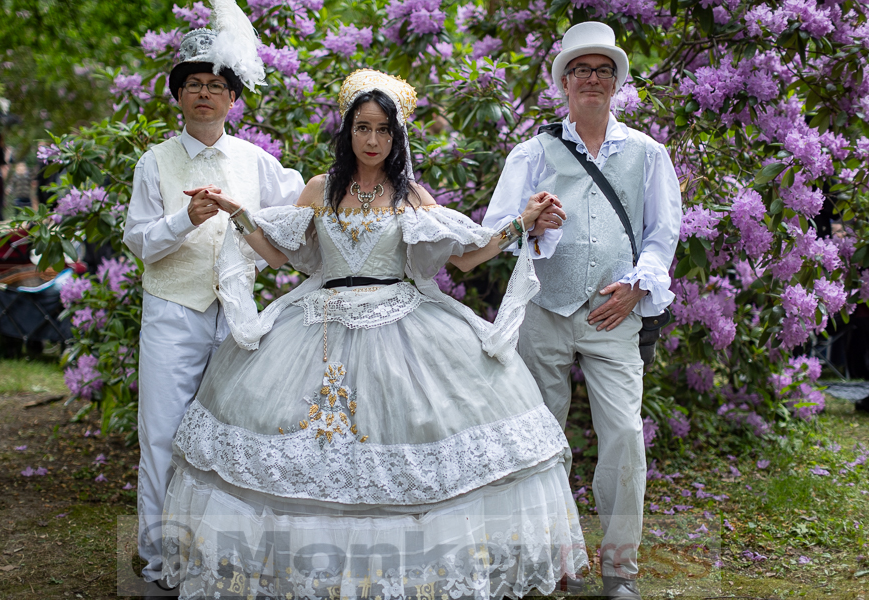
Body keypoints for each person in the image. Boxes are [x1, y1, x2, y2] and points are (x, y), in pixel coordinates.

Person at [157, 68, 588, 599]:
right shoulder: (319, 188)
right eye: (363, 127)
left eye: (384, 130)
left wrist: (522, 224)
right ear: (348, 130)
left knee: (411, 432)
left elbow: (468, 257)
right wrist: (240, 215)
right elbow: (282, 256)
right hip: (317, 321)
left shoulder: (410, 194)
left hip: (402, 320)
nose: (373, 140)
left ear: (397, 135)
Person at [484, 21, 682, 600]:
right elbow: (496, 230)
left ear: (616, 83)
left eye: (602, 70)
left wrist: (638, 289)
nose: (592, 79)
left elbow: (661, 234)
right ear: (564, 83)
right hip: (543, 310)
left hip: (614, 311)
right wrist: (530, 225)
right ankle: (557, 563)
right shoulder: (532, 150)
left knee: (623, 435)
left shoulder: (647, 153)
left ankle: (620, 569)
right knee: (543, 440)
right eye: (580, 70)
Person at [121, 1, 305, 592]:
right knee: (162, 434)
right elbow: (139, 242)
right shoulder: (155, 161)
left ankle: (225, 557)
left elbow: (299, 209)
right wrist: (184, 219)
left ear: (232, 99)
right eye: (194, 85)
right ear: (178, 96)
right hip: (173, 312)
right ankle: (158, 559)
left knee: (234, 434)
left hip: (238, 314)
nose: (205, 94)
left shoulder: (255, 161)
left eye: (216, 85)